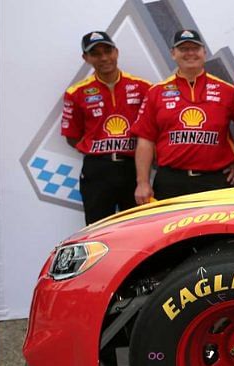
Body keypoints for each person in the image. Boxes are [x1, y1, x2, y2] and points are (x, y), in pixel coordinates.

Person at [133, 29, 234, 202]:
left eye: (195, 48)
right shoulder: (156, 92)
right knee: (170, 229)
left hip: (215, 181)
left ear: (204, 52)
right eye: (184, 49)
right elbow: (145, 140)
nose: (190, 53)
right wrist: (142, 182)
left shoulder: (227, 90)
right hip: (171, 181)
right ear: (173, 54)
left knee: (217, 230)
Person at [63, 31, 153, 223]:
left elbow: (153, 131)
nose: (104, 58)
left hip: (133, 169)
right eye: (96, 53)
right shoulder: (76, 92)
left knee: (137, 230)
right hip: (97, 171)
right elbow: (72, 136)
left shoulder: (143, 87)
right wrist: (99, 150)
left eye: (108, 51)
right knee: (98, 231)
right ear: (86, 58)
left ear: (116, 52)